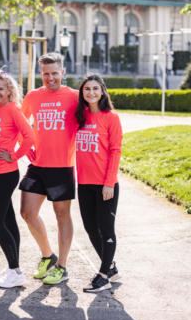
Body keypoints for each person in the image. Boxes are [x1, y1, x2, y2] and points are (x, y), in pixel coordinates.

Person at [19, 53, 79, 285]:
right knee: (27, 212)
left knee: (62, 215)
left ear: (62, 73)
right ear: (40, 74)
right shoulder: (33, 96)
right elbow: (18, 123)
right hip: (37, 165)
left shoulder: (74, 96)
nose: (50, 78)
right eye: (45, 74)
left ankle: (62, 266)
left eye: (55, 73)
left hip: (62, 166)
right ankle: (48, 255)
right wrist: (24, 149)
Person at [0, 71, 35, 288]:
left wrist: (15, 155)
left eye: (1, 89)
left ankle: (17, 272)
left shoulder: (12, 109)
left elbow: (30, 136)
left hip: (5, 173)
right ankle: (12, 268)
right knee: (9, 221)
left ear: (9, 91)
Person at [75, 73, 123, 293]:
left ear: (102, 91)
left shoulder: (110, 117)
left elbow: (115, 151)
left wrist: (110, 182)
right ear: (82, 93)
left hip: (105, 184)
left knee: (106, 230)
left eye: (95, 88)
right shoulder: (79, 117)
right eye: (87, 89)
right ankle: (111, 267)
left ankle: (103, 275)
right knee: (89, 228)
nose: (91, 92)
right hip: (84, 183)